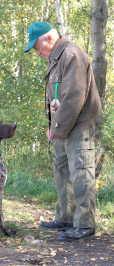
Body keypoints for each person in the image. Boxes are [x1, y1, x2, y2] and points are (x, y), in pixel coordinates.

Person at [24, 21, 103, 241]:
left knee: (81, 173)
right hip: (62, 126)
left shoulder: (72, 55)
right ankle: (66, 218)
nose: (36, 52)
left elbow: (73, 97)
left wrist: (56, 127)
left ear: (49, 39)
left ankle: (85, 224)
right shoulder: (56, 58)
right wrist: (54, 127)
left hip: (79, 125)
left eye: (37, 47)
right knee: (63, 173)